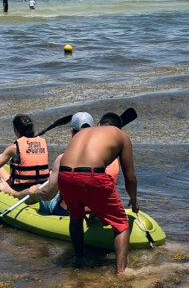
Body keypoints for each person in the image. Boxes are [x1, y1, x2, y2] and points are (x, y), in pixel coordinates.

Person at [58, 112, 138, 275]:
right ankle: (121, 272)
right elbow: (130, 178)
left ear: (99, 124)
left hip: (64, 175)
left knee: (76, 217)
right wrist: (134, 201)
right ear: (119, 127)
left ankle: (79, 260)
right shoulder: (121, 136)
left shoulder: (81, 133)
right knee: (121, 224)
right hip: (92, 176)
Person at [0, 114, 51, 196]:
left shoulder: (14, 147)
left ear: (16, 131)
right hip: (41, 186)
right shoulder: (43, 143)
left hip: (20, 189)